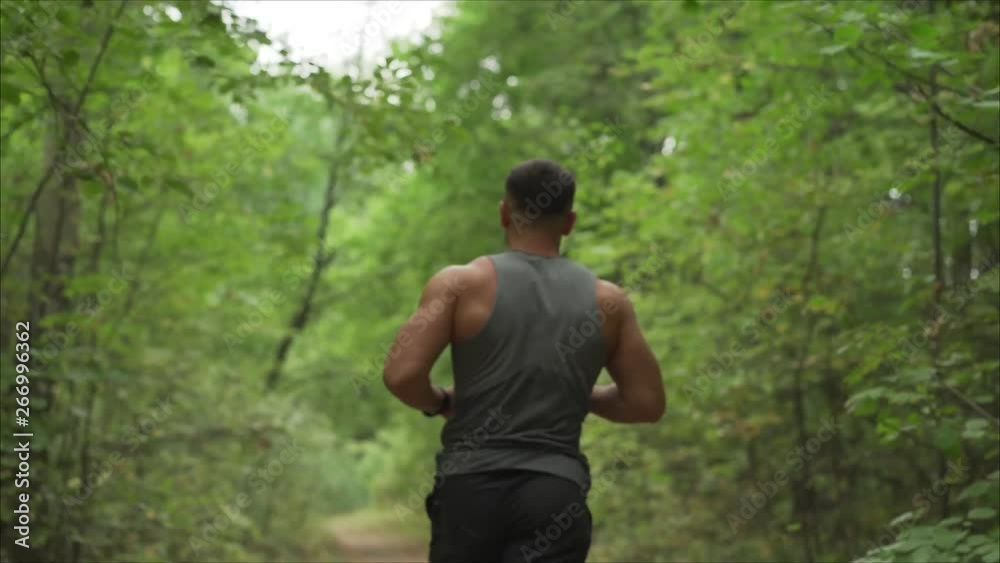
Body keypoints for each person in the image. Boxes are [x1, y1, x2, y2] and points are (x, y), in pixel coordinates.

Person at [383, 159, 665, 562]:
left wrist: (442, 402)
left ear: (504, 213)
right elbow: (647, 403)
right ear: (569, 222)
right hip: (555, 490)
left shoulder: (460, 284)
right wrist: (576, 392)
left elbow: (401, 375)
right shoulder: (608, 302)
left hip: (470, 488)